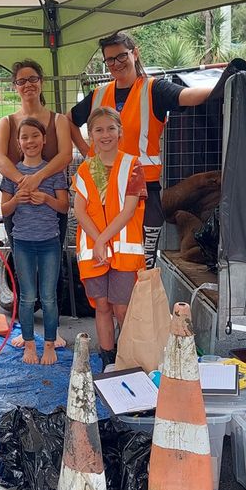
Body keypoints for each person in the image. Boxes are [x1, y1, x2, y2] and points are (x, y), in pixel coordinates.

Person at [69, 32, 212, 269]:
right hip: (102, 184)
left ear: (135, 53)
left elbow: (187, 96)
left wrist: (226, 82)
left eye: (121, 56)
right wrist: (88, 154)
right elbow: (69, 120)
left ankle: (140, 304)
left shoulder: (153, 89)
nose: (116, 63)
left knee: (141, 263)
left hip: (144, 189)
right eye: (110, 60)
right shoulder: (99, 94)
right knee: (106, 259)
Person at [73, 107, 147, 367]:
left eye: (110, 129)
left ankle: (128, 359)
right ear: (91, 135)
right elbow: (79, 210)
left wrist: (102, 240)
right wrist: (98, 241)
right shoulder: (85, 169)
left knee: (122, 308)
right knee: (102, 305)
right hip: (93, 250)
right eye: (99, 130)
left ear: (120, 131)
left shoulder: (132, 165)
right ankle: (107, 359)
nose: (105, 135)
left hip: (124, 252)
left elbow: (128, 210)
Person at [0, 118, 68, 366]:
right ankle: (29, 344)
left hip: (49, 241)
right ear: (18, 143)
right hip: (23, 243)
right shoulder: (12, 174)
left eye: (35, 136)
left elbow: (64, 206)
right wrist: (17, 199)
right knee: (27, 296)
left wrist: (46, 199)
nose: (30, 141)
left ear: (44, 139)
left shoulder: (54, 171)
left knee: (48, 296)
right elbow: (4, 210)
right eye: (24, 137)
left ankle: (49, 344)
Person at [0, 59, 72, 240]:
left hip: (51, 206)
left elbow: (66, 155)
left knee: (52, 263)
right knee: (22, 264)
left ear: (41, 82)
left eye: (32, 79)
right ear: (15, 87)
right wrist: (23, 181)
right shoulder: (6, 122)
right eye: (21, 81)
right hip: (19, 204)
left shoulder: (59, 120)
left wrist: (38, 177)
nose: (28, 84)